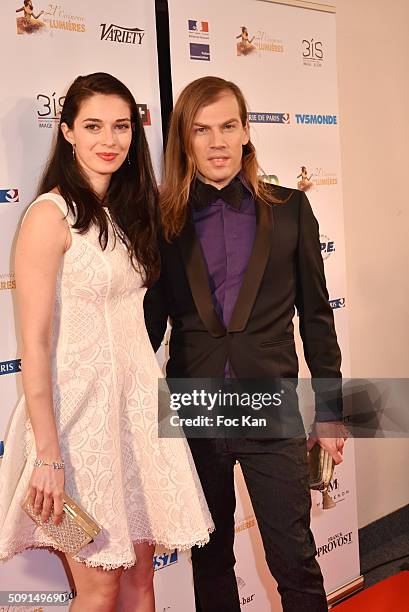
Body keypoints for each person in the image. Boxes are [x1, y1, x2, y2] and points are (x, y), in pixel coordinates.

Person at [0, 72, 213, 612]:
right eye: (93, 125)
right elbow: (36, 343)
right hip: (75, 432)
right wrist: (48, 456)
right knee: (97, 589)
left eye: (121, 126)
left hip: (137, 416)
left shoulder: (127, 213)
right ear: (67, 131)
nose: (109, 139)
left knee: (142, 576)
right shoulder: (49, 217)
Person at [143, 76, 348, 612]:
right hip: (194, 415)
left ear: (246, 130)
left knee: (295, 562)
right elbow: (149, 328)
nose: (216, 142)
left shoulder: (290, 210)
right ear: (184, 141)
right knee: (211, 563)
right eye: (201, 129)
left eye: (227, 126)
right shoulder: (164, 220)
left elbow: (318, 318)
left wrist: (329, 411)